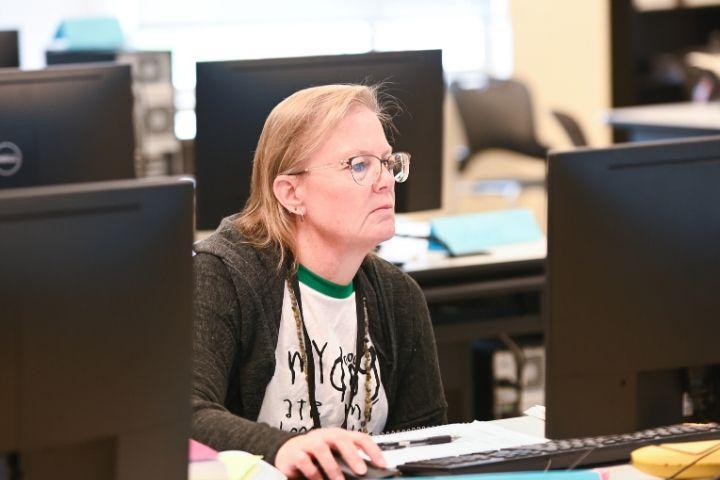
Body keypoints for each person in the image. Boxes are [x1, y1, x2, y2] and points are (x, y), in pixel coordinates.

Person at [191, 83, 447, 479]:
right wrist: (284, 449)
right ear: (291, 193)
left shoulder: (398, 296)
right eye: (359, 165)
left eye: (387, 161)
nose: (386, 181)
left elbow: (427, 445)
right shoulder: (222, 276)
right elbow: (185, 414)